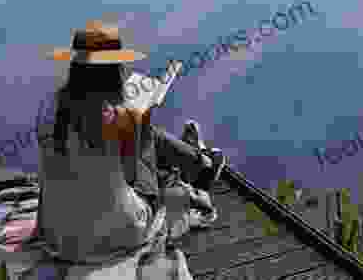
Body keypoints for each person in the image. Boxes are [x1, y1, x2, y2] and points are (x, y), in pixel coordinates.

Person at [34, 20, 226, 263]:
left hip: (57, 235)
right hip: (116, 235)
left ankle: (197, 160)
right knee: (148, 138)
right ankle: (200, 164)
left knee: (143, 133)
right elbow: (131, 176)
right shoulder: (119, 114)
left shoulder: (48, 109)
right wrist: (141, 122)